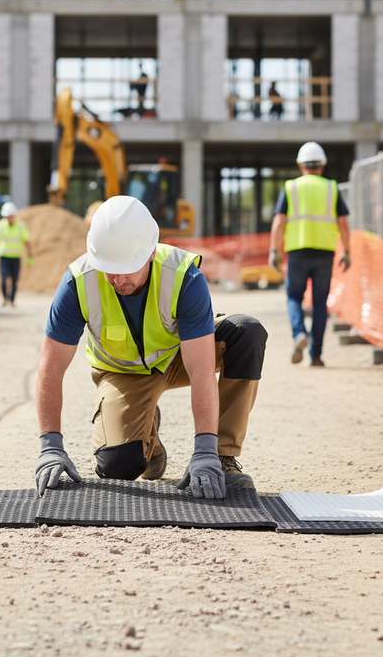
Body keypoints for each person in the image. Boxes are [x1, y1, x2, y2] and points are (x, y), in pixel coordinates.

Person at [33, 195, 267, 500]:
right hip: (122, 372)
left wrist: (205, 449)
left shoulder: (183, 277)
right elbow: (50, 368)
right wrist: (50, 445)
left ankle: (223, 459)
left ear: (151, 252)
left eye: (127, 268)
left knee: (245, 332)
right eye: (108, 268)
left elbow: (200, 369)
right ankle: (148, 433)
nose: (117, 279)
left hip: (178, 356)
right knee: (118, 466)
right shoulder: (77, 282)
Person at [268, 142, 351, 367]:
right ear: (322, 166)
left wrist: (274, 251)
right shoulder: (331, 188)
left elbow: (279, 221)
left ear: (300, 165)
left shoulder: (291, 187)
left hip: (297, 252)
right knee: (320, 303)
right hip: (325, 252)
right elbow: (343, 222)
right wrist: (347, 251)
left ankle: (298, 334)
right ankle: (316, 355)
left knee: (294, 296)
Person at [0, 202, 33, 307]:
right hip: (3, 257)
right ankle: (5, 298)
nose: (9, 218)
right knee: (4, 278)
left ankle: (12, 300)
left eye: (11, 215)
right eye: (7, 216)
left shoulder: (21, 226)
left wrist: (30, 254)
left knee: (14, 279)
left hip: (16, 257)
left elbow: (27, 240)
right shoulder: (0, 226)